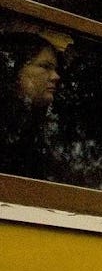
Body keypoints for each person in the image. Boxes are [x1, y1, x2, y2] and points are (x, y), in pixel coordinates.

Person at [0, 32, 61, 179]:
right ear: (15, 70)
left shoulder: (37, 128)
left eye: (54, 69)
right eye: (45, 66)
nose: (55, 77)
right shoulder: (7, 126)